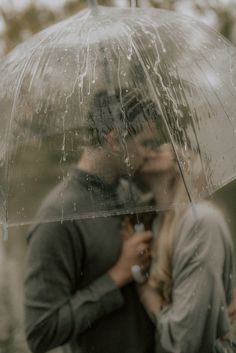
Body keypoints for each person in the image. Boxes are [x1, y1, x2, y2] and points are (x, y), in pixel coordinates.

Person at [24, 90, 174, 353]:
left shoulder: (131, 193)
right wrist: (117, 275)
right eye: (145, 144)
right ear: (114, 140)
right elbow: (40, 332)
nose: (150, 154)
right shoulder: (57, 217)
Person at [122, 144, 236, 353]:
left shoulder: (201, 223)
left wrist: (147, 293)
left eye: (169, 149)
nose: (151, 151)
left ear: (187, 164)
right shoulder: (155, 223)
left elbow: (185, 341)